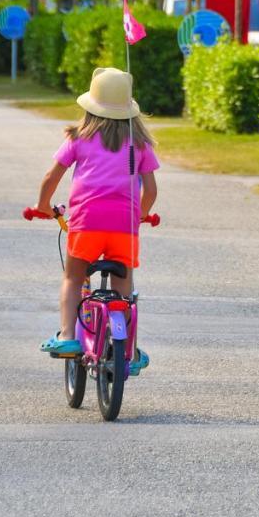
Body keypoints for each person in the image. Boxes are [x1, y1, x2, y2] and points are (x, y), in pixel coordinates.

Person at [34, 67, 159, 374]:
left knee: (74, 277)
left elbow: (52, 176)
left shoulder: (79, 138)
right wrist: (140, 214)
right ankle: (126, 350)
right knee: (124, 289)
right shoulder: (139, 144)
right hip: (124, 229)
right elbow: (151, 189)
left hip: (87, 224)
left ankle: (67, 336)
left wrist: (42, 205)